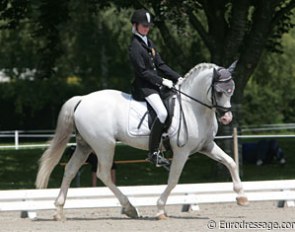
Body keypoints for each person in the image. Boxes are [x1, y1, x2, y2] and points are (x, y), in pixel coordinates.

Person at [129, 9, 183, 167]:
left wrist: (178, 77)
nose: (146, 28)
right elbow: (143, 72)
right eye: (143, 26)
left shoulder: (148, 42)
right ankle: (153, 153)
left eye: (148, 26)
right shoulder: (134, 47)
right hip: (144, 87)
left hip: (155, 85)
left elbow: (160, 64)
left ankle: (168, 140)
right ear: (135, 25)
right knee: (162, 112)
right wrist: (162, 81)